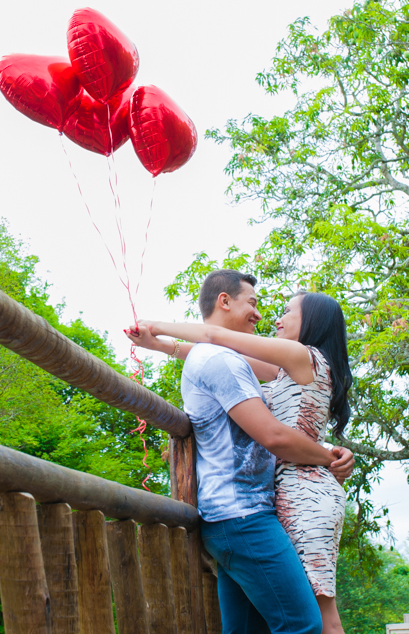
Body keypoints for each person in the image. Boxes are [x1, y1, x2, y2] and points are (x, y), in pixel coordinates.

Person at [127, 270, 353, 634]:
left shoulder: (299, 356)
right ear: (224, 301)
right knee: (271, 626)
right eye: (256, 304)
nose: (271, 318)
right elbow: (217, 352)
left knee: (318, 620)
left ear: (311, 322)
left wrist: (157, 325)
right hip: (262, 504)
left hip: (300, 494)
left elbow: (216, 338)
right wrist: (161, 345)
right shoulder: (286, 368)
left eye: (287, 312)